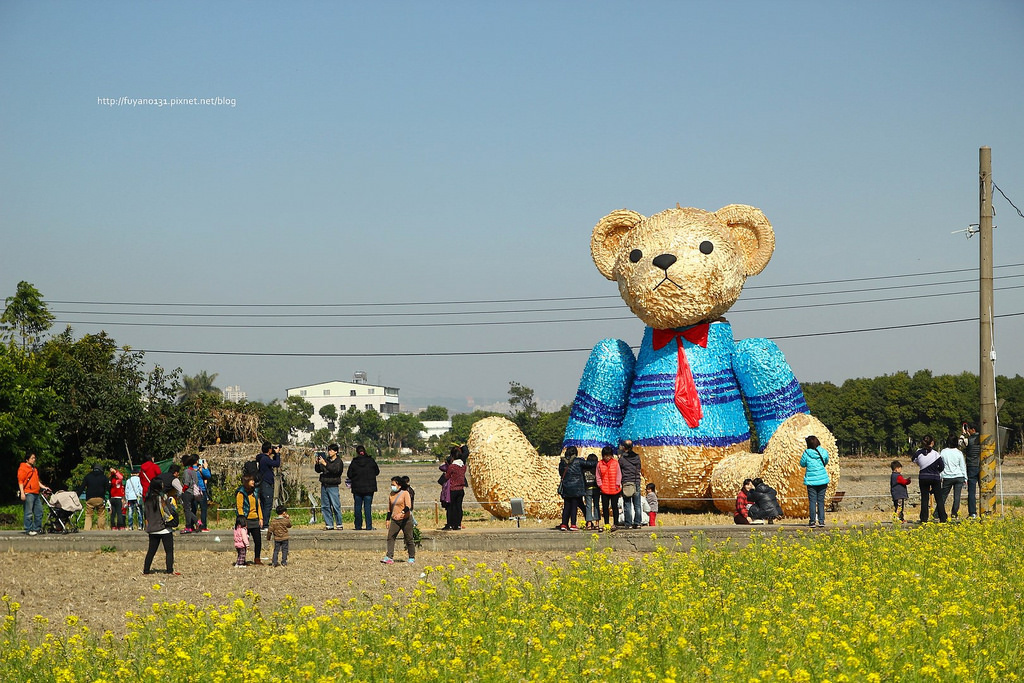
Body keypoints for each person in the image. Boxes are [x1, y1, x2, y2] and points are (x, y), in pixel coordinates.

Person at [142, 477, 178, 576]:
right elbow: (168, 511)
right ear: (159, 486)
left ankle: (146, 570)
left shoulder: (147, 499)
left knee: (151, 551)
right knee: (169, 551)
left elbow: (146, 515)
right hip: (164, 529)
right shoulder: (163, 497)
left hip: (152, 529)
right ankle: (169, 570)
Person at [382, 476, 415, 564]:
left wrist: (402, 513)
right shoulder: (391, 494)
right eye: (391, 484)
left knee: (409, 538)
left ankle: (411, 557)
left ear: (399, 485)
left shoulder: (405, 493)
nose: (392, 486)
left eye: (393, 484)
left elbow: (408, 506)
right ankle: (389, 556)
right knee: (390, 537)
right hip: (395, 520)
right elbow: (389, 508)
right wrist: (387, 519)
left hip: (406, 519)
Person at [912, 436, 945, 523]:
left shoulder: (918, 453)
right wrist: (937, 471)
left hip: (923, 477)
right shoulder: (936, 454)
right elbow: (942, 466)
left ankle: (924, 519)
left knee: (924, 498)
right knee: (939, 499)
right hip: (935, 477)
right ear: (932, 443)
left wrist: (922, 464)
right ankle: (943, 518)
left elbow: (914, 460)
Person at [800, 435, 830, 528]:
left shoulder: (806, 453)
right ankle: (821, 521)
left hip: (811, 481)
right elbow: (826, 461)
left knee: (812, 501)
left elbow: (802, 464)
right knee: (821, 501)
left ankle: (812, 521)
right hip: (822, 480)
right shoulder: (823, 451)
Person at [347, 444, 380, 531]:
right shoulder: (371, 461)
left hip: (357, 488)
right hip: (369, 488)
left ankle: (358, 526)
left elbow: (349, 474)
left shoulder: (354, 462)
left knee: (357, 507)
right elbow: (377, 471)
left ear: (357, 452)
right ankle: (369, 526)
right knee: (367, 507)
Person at [557, 446, 590, 531]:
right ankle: (573, 524)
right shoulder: (578, 461)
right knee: (574, 507)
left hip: (566, 487)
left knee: (567, 506)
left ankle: (564, 524)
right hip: (576, 488)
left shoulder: (562, 462)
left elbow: (561, 473)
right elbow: (590, 464)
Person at [235, 475, 264, 564]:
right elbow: (239, 507)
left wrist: (261, 518)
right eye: (251, 480)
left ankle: (257, 558)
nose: (253, 482)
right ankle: (242, 559)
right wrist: (242, 519)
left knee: (258, 541)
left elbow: (258, 505)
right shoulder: (241, 493)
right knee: (243, 542)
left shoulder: (255, 492)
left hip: (255, 519)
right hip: (245, 519)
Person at [17, 453, 49, 536]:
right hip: (28, 493)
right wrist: (22, 493)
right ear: (27, 459)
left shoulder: (34, 469)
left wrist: (44, 487)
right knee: (28, 512)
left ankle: (37, 528)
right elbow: (20, 481)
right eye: (32, 458)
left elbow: (37, 481)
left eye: (34, 458)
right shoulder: (23, 468)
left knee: (39, 511)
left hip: (36, 493)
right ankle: (28, 529)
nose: (34, 459)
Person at [938, 436, 968, 521]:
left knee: (943, 496)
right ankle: (954, 513)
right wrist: (965, 478)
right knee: (957, 497)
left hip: (947, 476)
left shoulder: (943, 452)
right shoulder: (959, 452)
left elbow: (940, 465)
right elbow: (962, 465)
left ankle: (937, 513)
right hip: (959, 476)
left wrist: (940, 475)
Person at [315, 444, 344, 530]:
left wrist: (325, 464)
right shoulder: (326, 460)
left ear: (336, 452)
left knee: (336, 505)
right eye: (329, 450)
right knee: (325, 506)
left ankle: (339, 524)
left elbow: (336, 471)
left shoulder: (339, 462)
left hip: (333, 486)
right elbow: (319, 470)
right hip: (324, 484)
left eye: (331, 450)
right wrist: (317, 464)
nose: (329, 452)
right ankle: (329, 524)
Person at [618, 440, 643, 529]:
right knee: (637, 504)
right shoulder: (637, 457)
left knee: (627, 504)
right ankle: (638, 522)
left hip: (627, 482)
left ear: (624, 447)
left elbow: (619, 471)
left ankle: (628, 523)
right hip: (636, 482)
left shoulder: (622, 459)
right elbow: (639, 468)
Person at [596, 446, 622, 530]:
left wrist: (617, 484)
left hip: (614, 489)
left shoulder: (615, 463)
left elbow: (619, 474)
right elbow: (598, 476)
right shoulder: (599, 464)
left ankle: (615, 523)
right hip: (604, 490)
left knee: (614, 507)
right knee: (605, 507)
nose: (607, 457)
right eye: (605, 455)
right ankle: (606, 523)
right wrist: (600, 485)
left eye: (609, 455)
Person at [256, 442, 281, 530]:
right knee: (267, 504)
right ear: (269, 450)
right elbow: (277, 464)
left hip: (263, 483)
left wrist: (275, 455)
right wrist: (277, 454)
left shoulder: (262, 458)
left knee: (263, 504)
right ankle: (265, 524)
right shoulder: (265, 459)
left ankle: (261, 524)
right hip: (266, 483)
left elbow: (273, 463)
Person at [79, 464, 109, 531]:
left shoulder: (88, 476)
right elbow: (108, 487)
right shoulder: (104, 477)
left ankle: (87, 529)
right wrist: (108, 497)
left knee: (88, 515)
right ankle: (101, 529)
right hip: (100, 498)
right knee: (101, 514)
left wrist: (77, 495)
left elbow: (82, 487)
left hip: (90, 498)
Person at [443, 448, 467, 531]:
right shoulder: (463, 466)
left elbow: (447, 476)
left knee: (451, 508)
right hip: (461, 489)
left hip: (453, 489)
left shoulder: (452, 466)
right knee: (458, 507)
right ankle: (457, 524)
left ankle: (450, 524)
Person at [963, 423, 981, 518]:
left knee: (971, 492)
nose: (968, 431)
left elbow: (959, 443)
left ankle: (972, 513)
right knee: (985, 489)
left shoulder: (968, 440)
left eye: (968, 429)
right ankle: (986, 510)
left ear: (973, 430)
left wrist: (963, 434)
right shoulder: (983, 439)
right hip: (982, 466)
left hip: (971, 466)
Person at [179, 455, 200, 534]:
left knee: (187, 510)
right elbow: (197, 482)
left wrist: (183, 490)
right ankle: (197, 522)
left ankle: (189, 527)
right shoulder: (194, 472)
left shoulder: (186, 471)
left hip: (187, 492)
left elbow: (186, 483)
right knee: (188, 510)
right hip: (193, 493)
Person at [192, 456, 212, 531]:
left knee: (193, 509)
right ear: (197, 461)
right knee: (203, 509)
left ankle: (191, 525)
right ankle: (203, 526)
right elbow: (208, 475)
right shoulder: (200, 469)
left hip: (193, 491)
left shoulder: (190, 469)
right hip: (201, 491)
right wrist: (206, 467)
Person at [582, 453, 601, 530]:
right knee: (596, 505)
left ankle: (589, 524)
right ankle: (597, 523)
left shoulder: (584, 469)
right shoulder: (597, 468)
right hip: (596, 488)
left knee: (588, 506)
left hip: (587, 488)